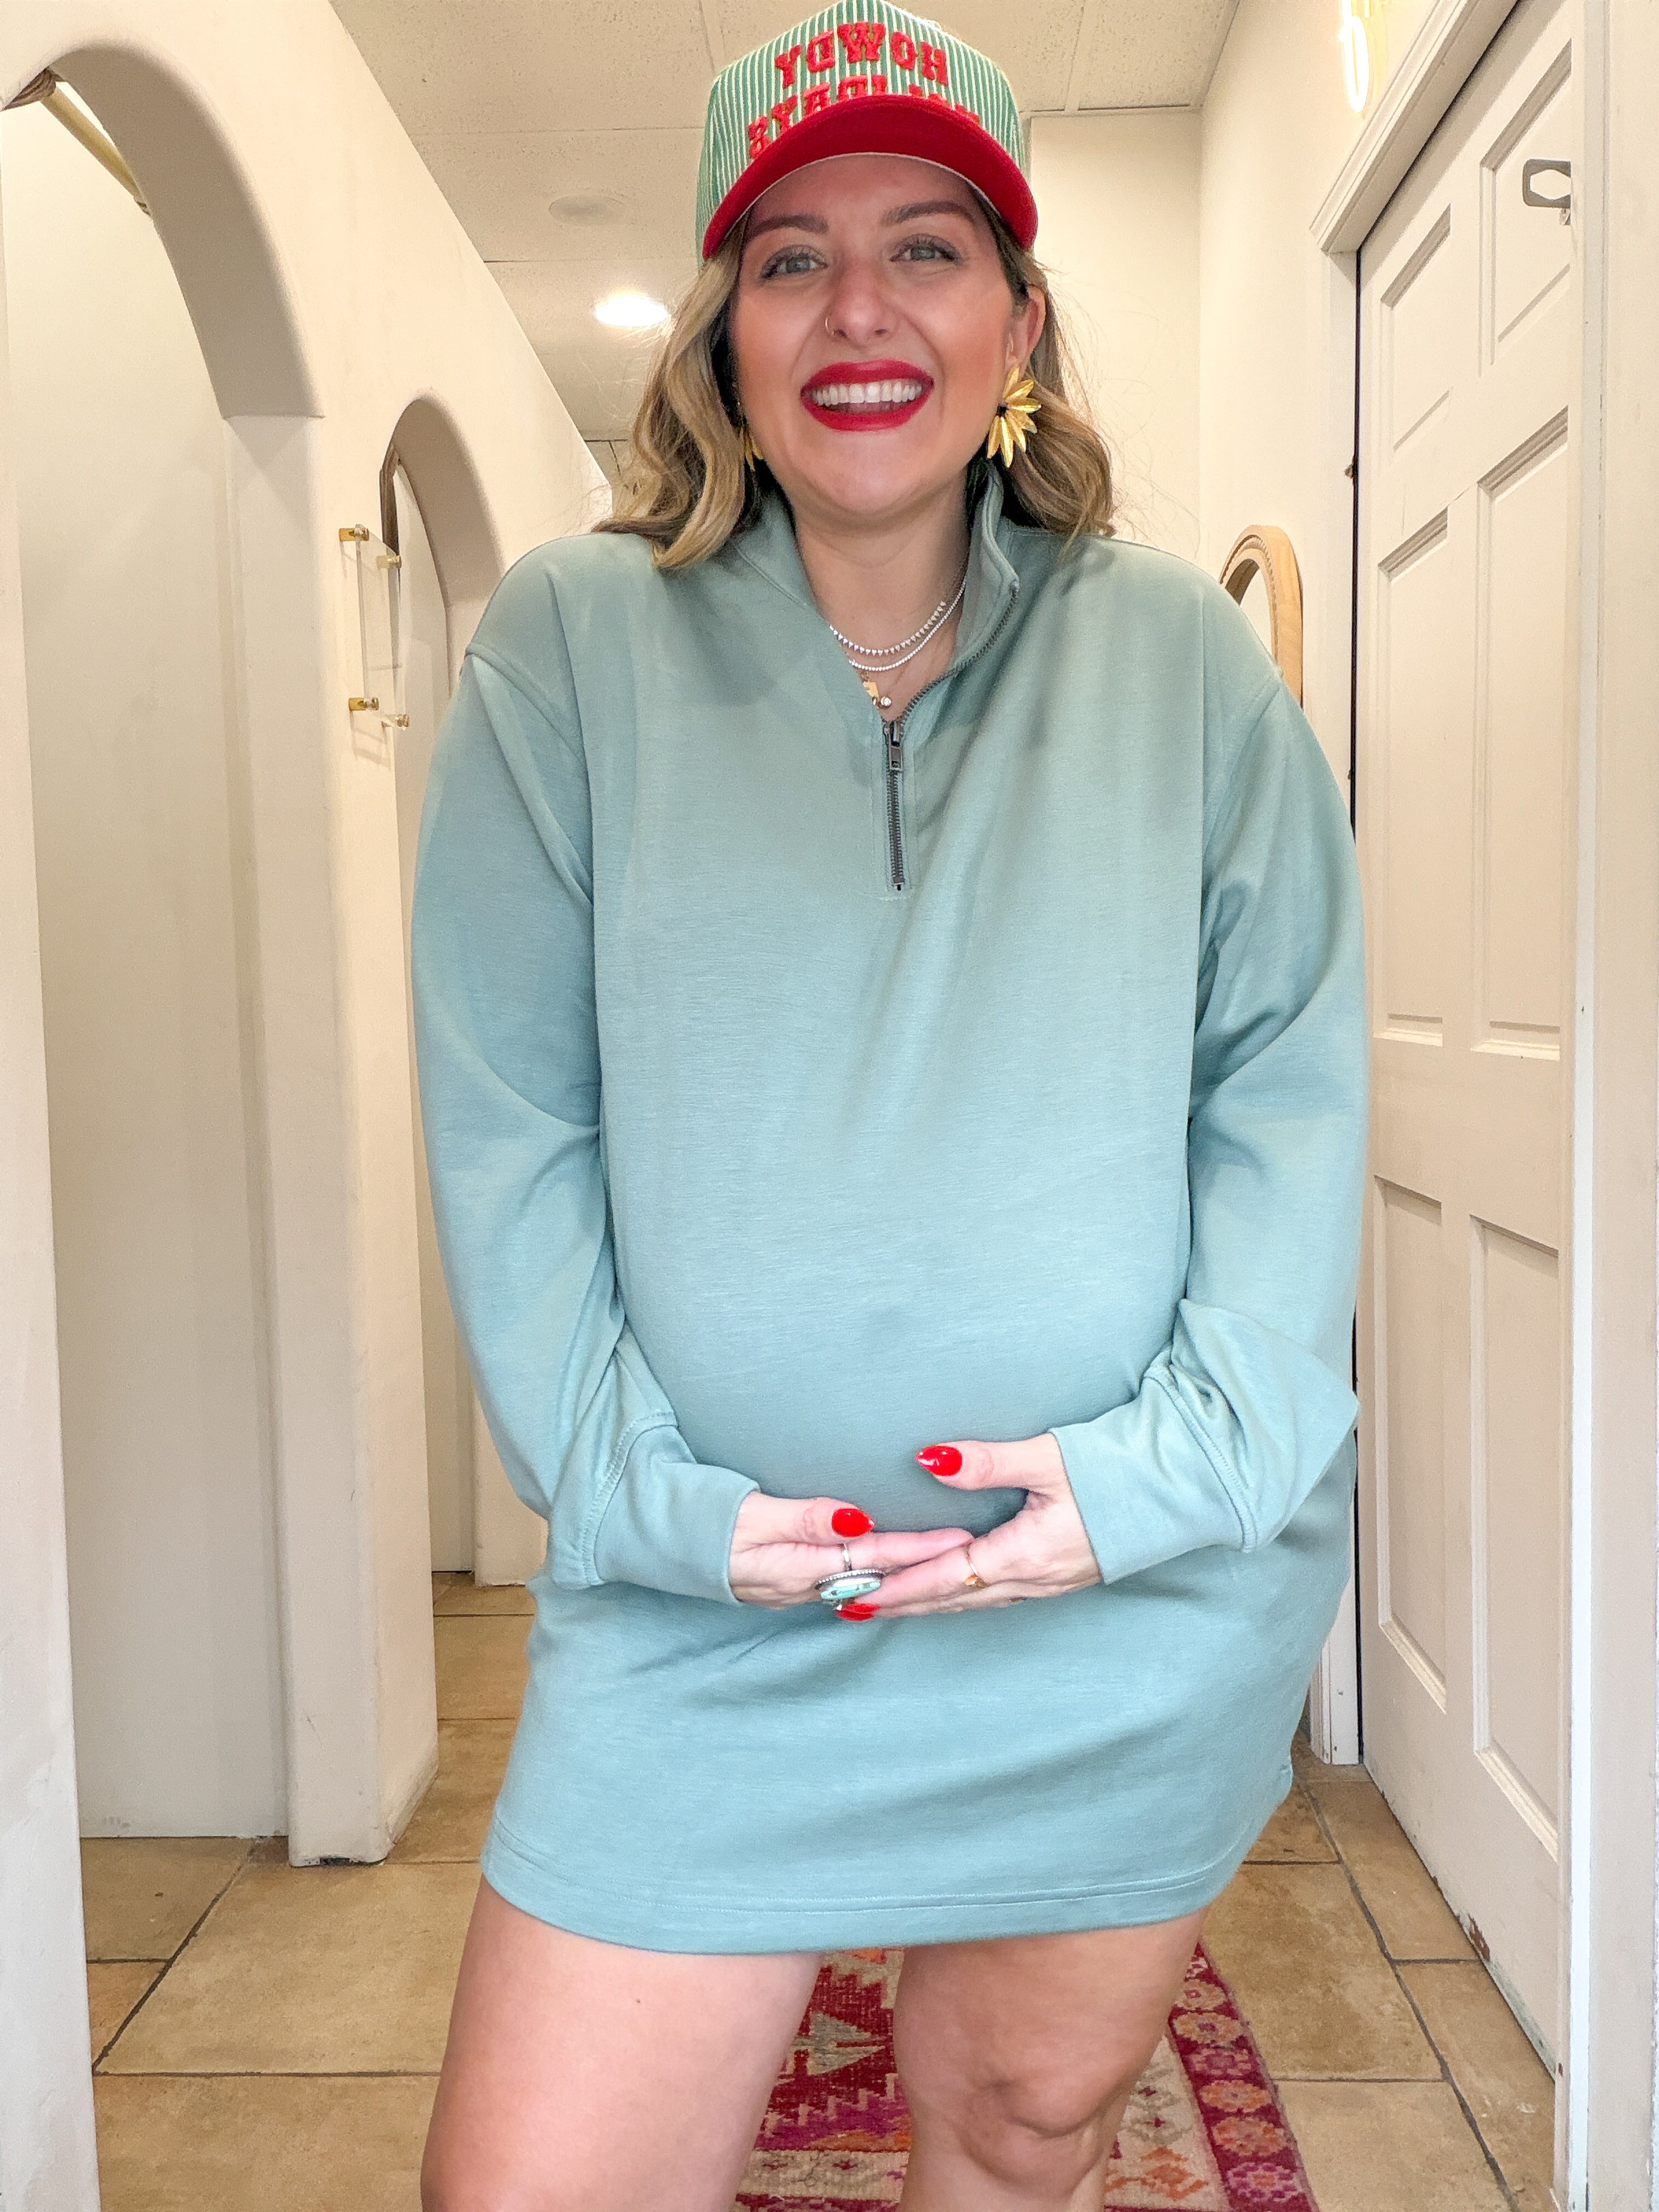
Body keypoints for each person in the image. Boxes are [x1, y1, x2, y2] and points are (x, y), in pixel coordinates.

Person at [412, 7, 1367, 2205]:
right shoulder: (568, 649)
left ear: (1018, 324)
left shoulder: (1185, 666)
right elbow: (514, 1127)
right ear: (723, 339)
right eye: (792, 258)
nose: (860, 308)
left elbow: (1284, 1095)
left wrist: (1164, 1480)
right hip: (706, 1621)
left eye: (927, 247)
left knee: (1020, 2124)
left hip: (1117, 1604)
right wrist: (636, 1499)